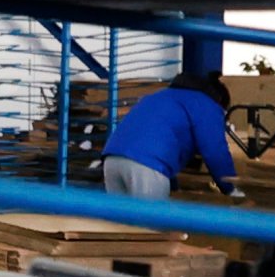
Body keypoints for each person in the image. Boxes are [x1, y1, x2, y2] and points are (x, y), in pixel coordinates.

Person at [99, 70, 247, 201]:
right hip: (146, 167)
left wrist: (172, 184)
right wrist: (231, 188)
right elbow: (215, 150)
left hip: (112, 160)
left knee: (122, 227)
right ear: (220, 102)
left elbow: (158, 140)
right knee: (150, 227)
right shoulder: (206, 104)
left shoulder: (161, 96)